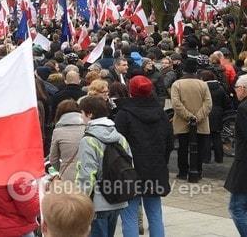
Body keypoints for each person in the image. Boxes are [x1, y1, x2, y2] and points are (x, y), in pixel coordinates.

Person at [114, 75, 173, 237]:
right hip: (155, 169)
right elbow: (169, 142)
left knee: (130, 215)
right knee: (155, 214)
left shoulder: (124, 114)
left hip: (130, 170)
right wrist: (162, 162)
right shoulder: (161, 114)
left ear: (130, 91)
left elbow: (117, 145)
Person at [75, 96, 131, 237]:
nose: (81, 117)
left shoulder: (88, 140)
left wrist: (81, 202)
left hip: (97, 202)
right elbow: (129, 163)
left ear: (89, 114)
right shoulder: (120, 137)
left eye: (81, 113)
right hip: (118, 199)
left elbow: (86, 175)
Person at [170, 58, 213, 182]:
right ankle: (198, 171)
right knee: (199, 148)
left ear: (183, 70)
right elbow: (208, 104)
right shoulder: (203, 84)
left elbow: (176, 104)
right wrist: (197, 117)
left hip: (182, 122)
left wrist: (188, 116)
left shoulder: (177, 84)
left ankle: (183, 172)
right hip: (201, 123)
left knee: (182, 148)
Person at [225, 75, 247, 236]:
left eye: (237, 88)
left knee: (236, 208)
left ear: (244, 89)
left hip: (244, 164)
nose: (235, 91)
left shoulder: (244, 108)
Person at [49, 99, 85, 178]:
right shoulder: (88, 128)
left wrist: (62, 169)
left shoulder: (57, 131)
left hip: (67, 176)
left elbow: (53, 159)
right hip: (87, 174)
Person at [201, 70, 230, 164]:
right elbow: (226, 102)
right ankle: (219, 158)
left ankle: (206, 158)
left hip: (206, 112)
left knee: (206, 137)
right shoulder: (220, 88)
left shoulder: (203, 88)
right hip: (218, 113)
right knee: (217, 136)